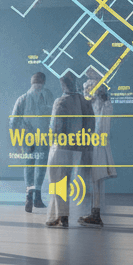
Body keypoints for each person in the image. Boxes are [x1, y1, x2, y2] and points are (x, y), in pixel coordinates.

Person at [45, 71, 95, 227]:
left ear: (63, 85)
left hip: (61, 148)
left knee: (57, 181)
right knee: (67, 182)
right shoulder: (85, 102)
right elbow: (91, 125)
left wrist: (51, 142)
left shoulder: (60, 102)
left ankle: (60, 216)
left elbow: (55, 127)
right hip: (78, 149)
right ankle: (63, 215)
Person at [10, 71, 54, 212]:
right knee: (40, 167)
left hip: (27, 139)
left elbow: (13, 122)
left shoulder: (22, 99)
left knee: (29, 166)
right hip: (43, 138)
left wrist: (17, 143)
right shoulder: (48, 97)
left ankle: (29, 195)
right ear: (43, 82)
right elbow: (53, 119)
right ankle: (37, 198)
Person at [79, 83, 116, 225]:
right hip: (96, 145)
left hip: (96, 146)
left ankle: (95, 214)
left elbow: (100, 127)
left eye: (87, 89)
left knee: (96, 180)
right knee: (95, 181)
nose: (85, 92)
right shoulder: (101, 104)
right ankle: (94, 212)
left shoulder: (102, 105)